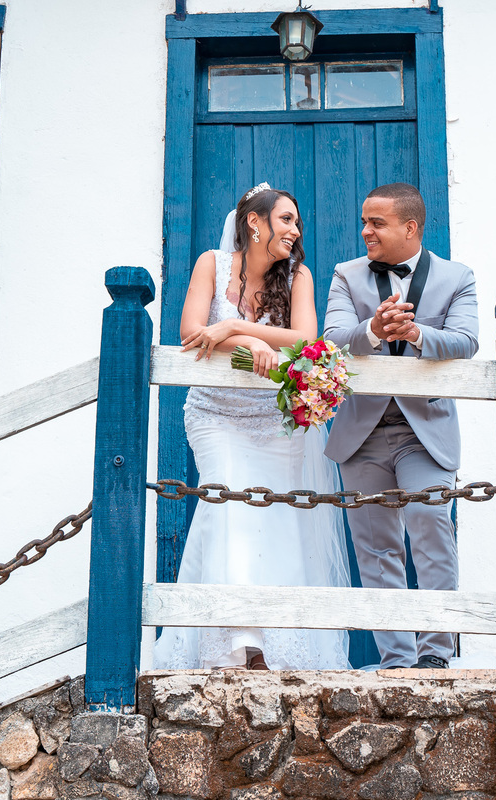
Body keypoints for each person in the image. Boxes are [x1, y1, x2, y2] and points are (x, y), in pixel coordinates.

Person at [153, 183, 351, 671]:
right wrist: (244, 342)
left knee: (275, 517)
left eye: (297, 223)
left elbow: (305, 337)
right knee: (228, 508)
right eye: (286, 220)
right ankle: (234, 643)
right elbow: (189, 332)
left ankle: (273, 645)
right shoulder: (211, 263)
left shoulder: (298, 276)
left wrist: (235, 328)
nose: (294, 230)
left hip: (273, 421)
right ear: (254, 223)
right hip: (215, 415)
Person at [323, 182, 479, 670]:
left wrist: (415, 332)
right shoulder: (346, 275)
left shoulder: (458, 277)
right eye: (364, 222)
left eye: (377, 223)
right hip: (362, 433)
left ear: (410, 227)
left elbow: (467, 340)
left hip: (424, 431)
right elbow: (331, 338)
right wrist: (373, 328)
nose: (365, 231)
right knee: (375, 546)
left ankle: (435, 655)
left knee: (431, 525)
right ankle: (397, 659)